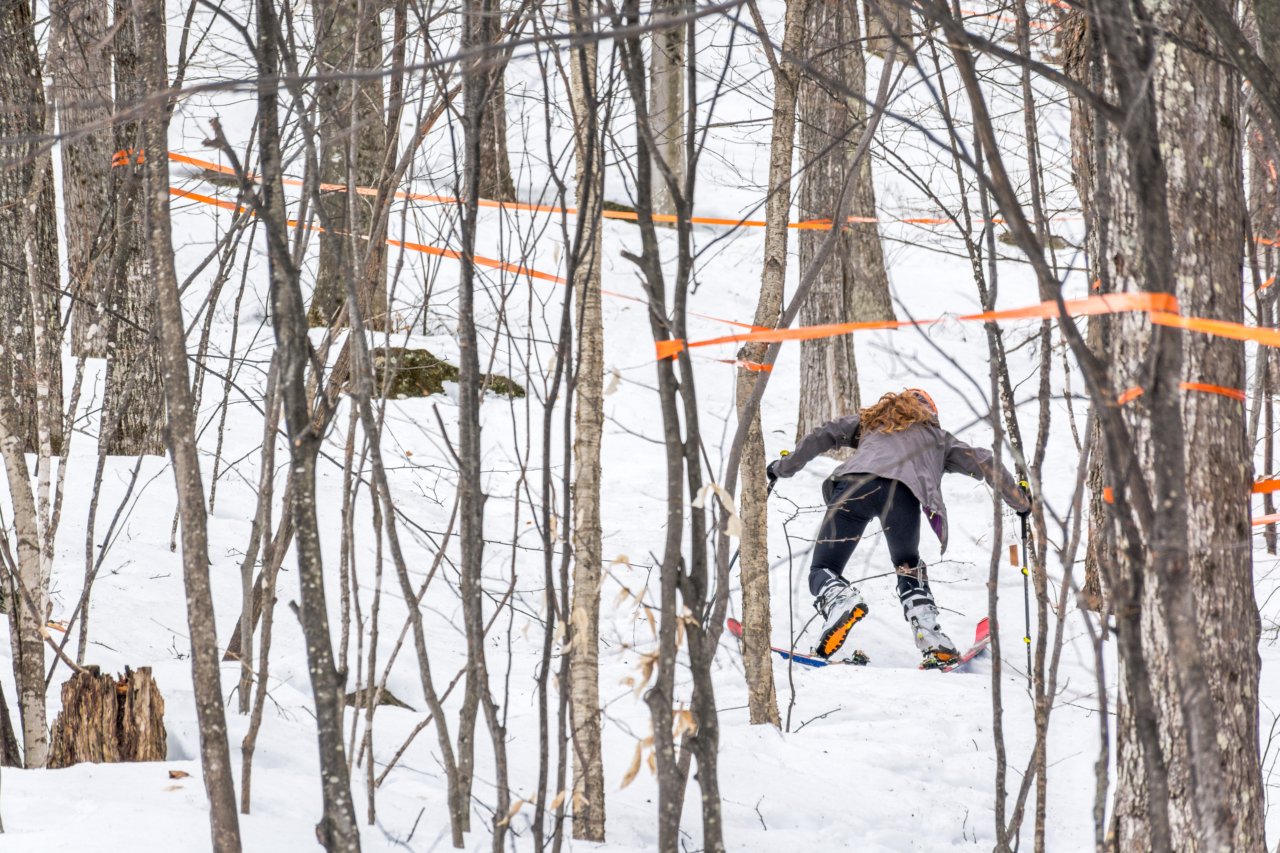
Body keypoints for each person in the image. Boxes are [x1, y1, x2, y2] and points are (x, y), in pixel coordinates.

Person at [767, 388, 1031, 667]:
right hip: (901, 496)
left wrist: (781, 468)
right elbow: (985, 462)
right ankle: (932, 640)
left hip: (852, 489)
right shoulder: (938, 439)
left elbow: (825, 433)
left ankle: (841, 599)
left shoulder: (871, 422)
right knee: (908, 566)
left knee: (823, 570)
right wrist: (1021, 503)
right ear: (930, 412)